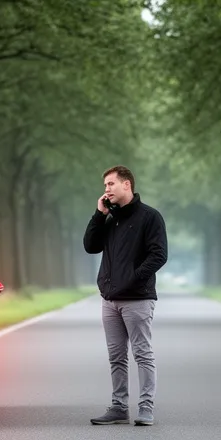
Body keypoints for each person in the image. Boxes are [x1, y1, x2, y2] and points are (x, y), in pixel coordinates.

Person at [82, 165, 168, 426]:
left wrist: (132, 278)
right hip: (110, 300)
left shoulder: (150, 217)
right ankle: (119, 406)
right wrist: (99, 215)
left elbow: (159, 255)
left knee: (142, 353)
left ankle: (146, 407)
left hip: (138, 299)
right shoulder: (110, 219)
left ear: (126, 184)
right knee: (116, 356)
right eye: (105, 185)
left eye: (110, 184)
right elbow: (90, 246)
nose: (106, 189)